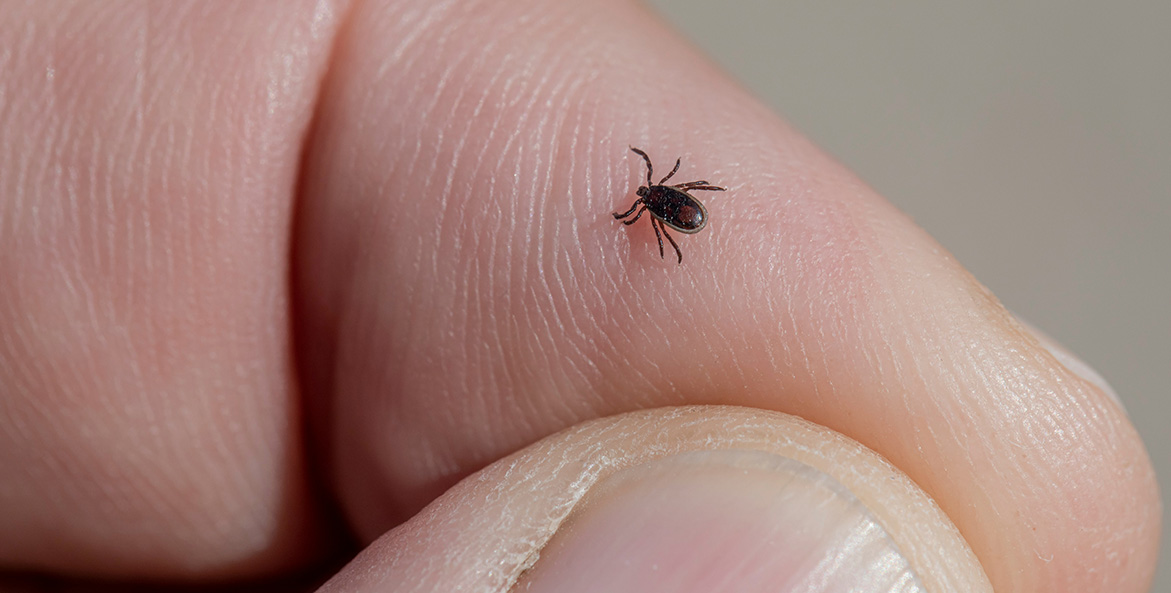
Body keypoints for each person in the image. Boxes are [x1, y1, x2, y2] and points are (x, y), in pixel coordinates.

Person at [0, 1, 1158, 592]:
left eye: (654, 202)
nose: (655, 206)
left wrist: (656, 212)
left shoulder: (657, 209)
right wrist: (661, 214)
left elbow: (670, 201)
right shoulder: (661, 210)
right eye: (657, 204)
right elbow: (675, 201)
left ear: (658, 203)